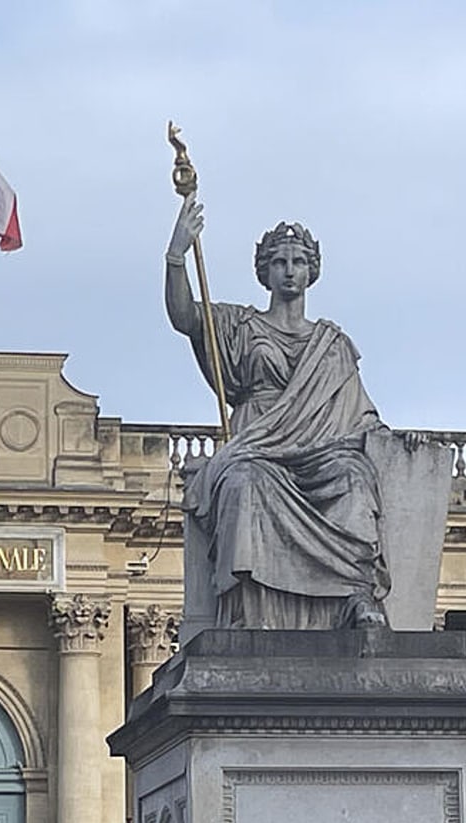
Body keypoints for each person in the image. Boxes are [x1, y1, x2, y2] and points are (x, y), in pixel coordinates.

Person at [165, 194, 389, 629]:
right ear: (265, 271)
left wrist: (398, 442)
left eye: (299, 262)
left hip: (323, 449)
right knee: (243, 483)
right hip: (258, 445)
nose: (290, 270)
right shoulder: (239, 324)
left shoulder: (333, 343)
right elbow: (185, 316)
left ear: (312, 271)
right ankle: (249, 607)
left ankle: (356, 598)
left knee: (355, 481)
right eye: (280, 262)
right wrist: (177, 256)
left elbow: (362, 417)